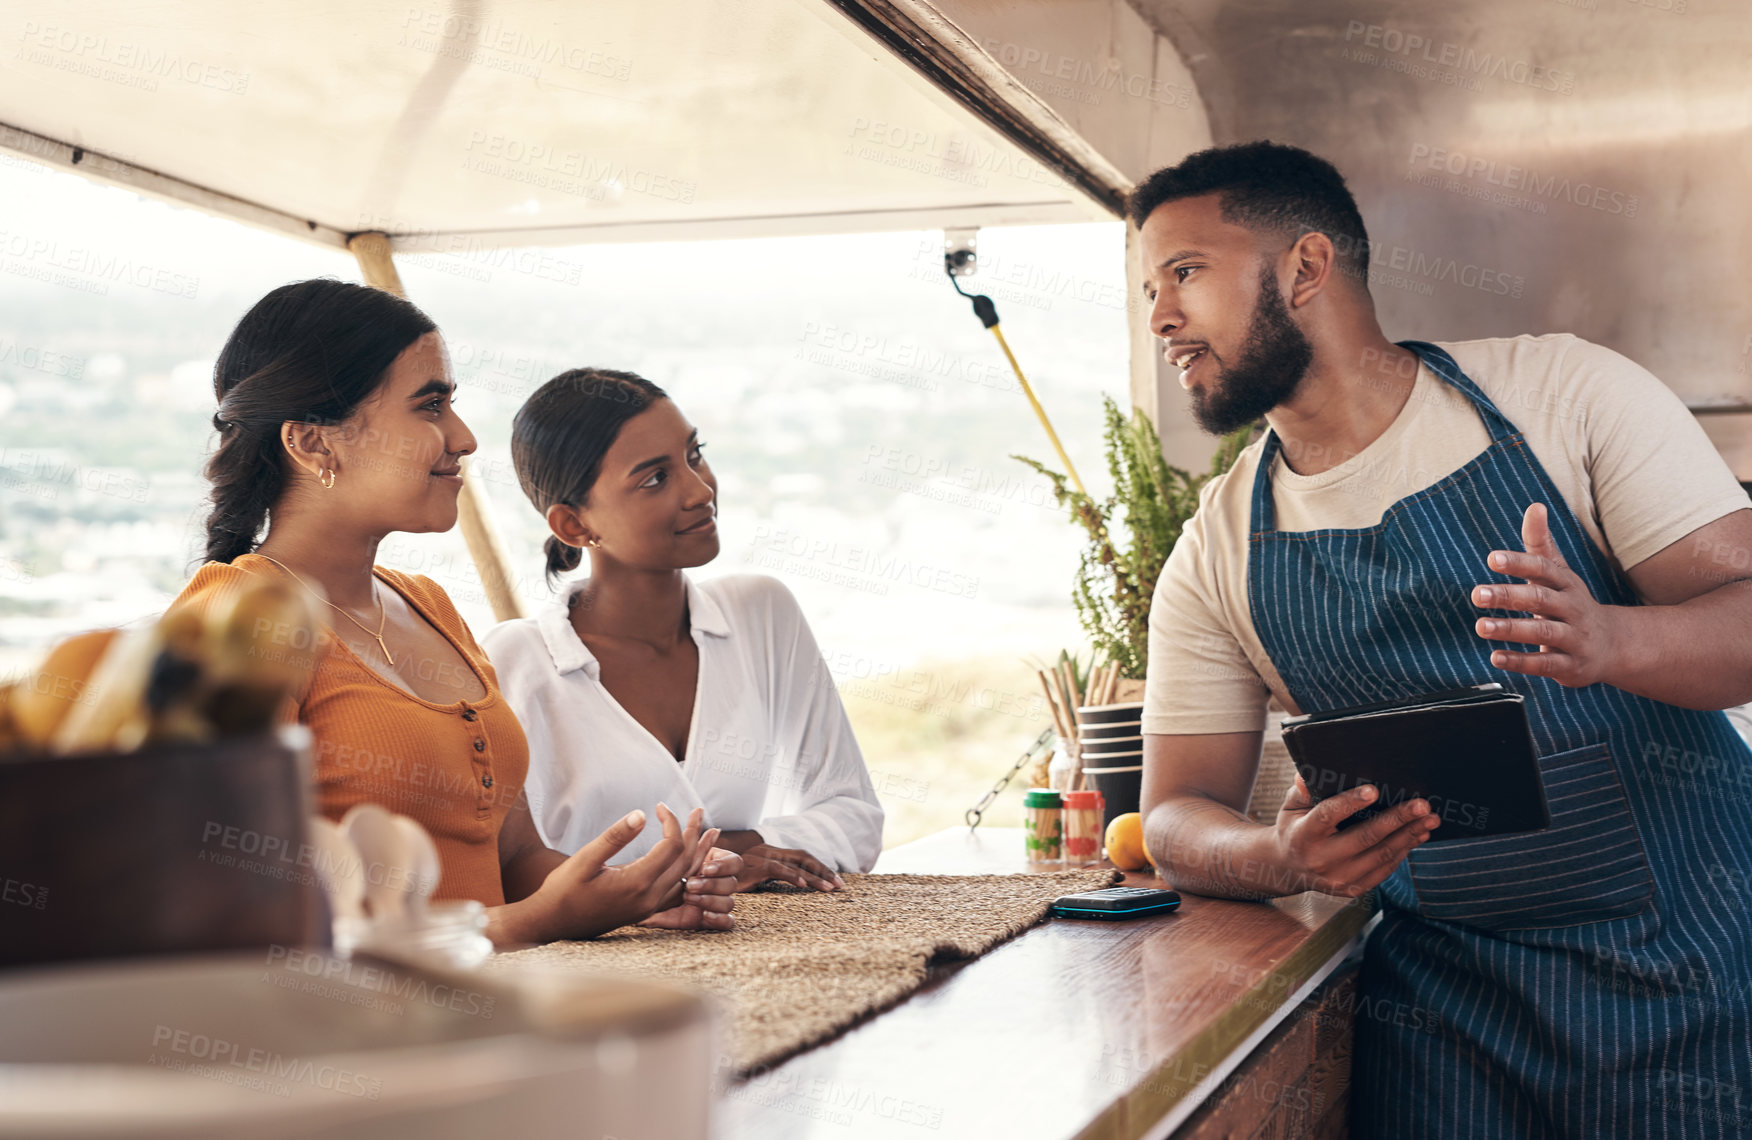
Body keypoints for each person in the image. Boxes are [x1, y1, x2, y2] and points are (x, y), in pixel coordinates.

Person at [1133, 142, 1752, 1137]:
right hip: (1444, 1023)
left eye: (1186, 274)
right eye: (1150, 287)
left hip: (1694, 982)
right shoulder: (1218, 547)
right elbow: (1172, 813)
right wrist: (1276, 855)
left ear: (1304, 266)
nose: (1159, 314)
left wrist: (1611, 642)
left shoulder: (1562, 398)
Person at [172, 279, 743, 945]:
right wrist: (534, 923)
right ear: (314, 444)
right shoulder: (232, 622)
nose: (465, 438)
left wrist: (632, 891)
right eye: (430, 406)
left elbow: (514, 858)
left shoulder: (429, 606)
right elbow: (240, 928)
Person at [481, 369, 883, 891]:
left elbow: (854, 815)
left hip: (767, 957)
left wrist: (735, 855)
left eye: (694, 455)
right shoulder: (516, 662)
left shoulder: (762, 613)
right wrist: (717, 861)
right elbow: (512, 868)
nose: (699, 490)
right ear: (574, 526)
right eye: (654, 479)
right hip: (594, 967)